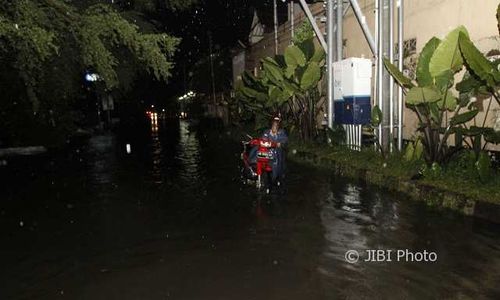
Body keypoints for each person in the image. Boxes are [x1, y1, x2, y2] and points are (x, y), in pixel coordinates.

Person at [262, 115, 288, 183]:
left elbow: (285, 140)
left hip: (276, 153)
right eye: (273, 124)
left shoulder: (281, 132)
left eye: (276, 124)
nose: (275, 126)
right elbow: (263, 139)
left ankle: (276, 177)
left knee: (278, 161)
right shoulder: (266, 132)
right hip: (266, 152)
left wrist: (280, 143)